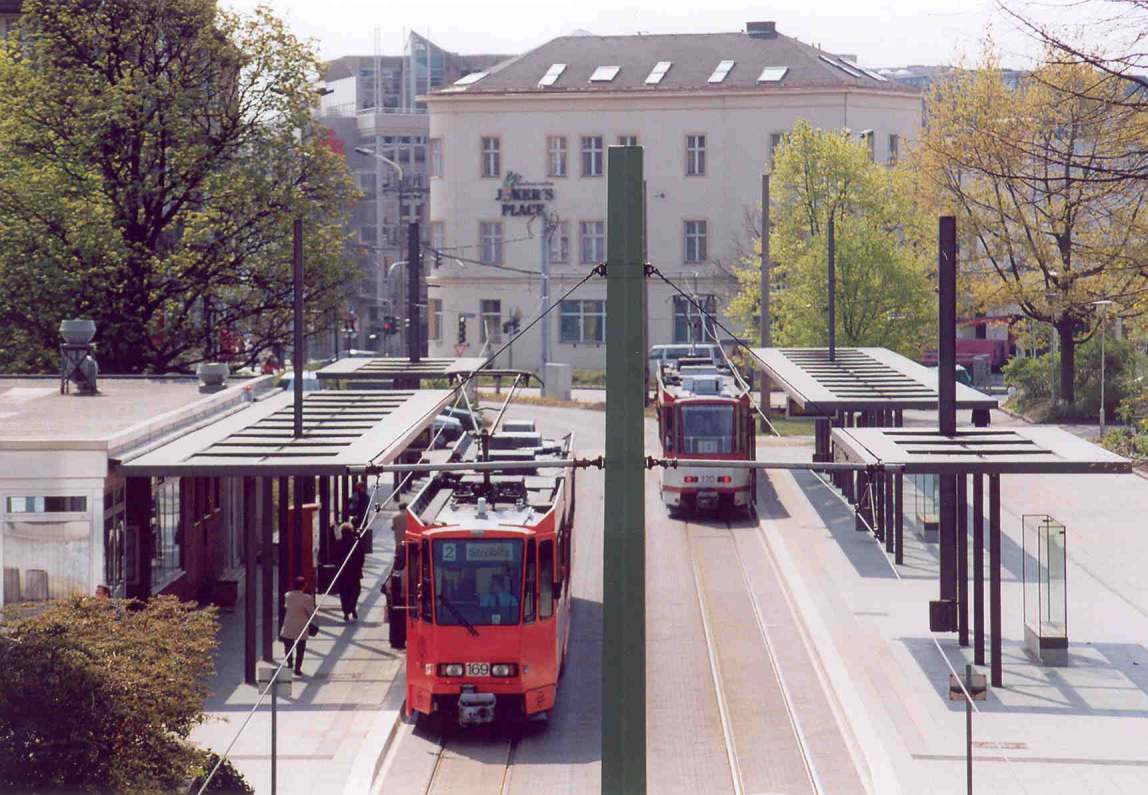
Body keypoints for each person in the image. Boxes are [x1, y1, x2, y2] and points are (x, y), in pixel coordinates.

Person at [280, 576, 315, 676]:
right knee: (300, 648)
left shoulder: (287, 595)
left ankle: (289, 663)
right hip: (301, 625)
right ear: (304, 586)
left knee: (288, 645)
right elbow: (311, 612)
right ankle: (297, 669)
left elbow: (286, 606)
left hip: (289, 624)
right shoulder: (307, 598)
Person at [335, 522, 365, 622]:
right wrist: (359, 567)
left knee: (344, 593)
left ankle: (346, 611)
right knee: (355, 591)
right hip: (354, 572)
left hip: (343, 572)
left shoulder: (338, 543)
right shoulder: (356, 543)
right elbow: (361, 557)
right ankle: (352, 607)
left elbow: (335, 557)